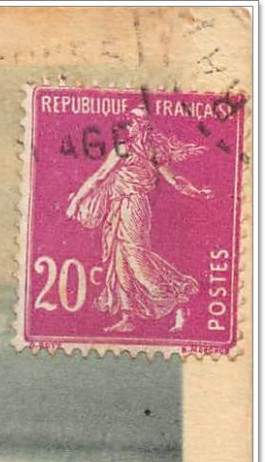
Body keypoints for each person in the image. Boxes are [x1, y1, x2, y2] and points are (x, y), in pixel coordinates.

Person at [65, 106, 213, 333]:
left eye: (132, 123)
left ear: (141, 127)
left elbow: (175, 181)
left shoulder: (136, 151)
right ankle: (128, 317)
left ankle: (178, 302)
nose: (129, 127)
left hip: (134, 206)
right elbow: (101, 176)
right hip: (120, 206)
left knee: (136, 258)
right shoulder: (134, 151)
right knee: (120, 259)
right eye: (129, 123)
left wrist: (76, 201)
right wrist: (76, 200)